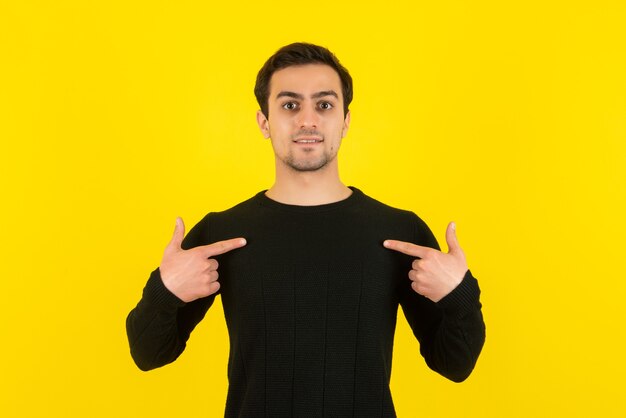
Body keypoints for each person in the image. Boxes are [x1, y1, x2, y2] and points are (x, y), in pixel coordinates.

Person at [126, 42, 485, 417]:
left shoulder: (398, 231)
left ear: (345, 121)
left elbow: (454, 365)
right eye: (290, 105)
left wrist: (460, 294)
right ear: (264, 122)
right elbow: (149, 353)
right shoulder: (223, 232)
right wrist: (164, 291)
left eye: (324, 105)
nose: (307, 120)